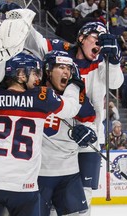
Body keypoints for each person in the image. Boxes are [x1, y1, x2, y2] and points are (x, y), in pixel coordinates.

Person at [0, 52, 88, 216]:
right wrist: (74, 84)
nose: (38, 78)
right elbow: (71, 108)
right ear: (20, 74)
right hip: (23, 185)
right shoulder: (43, 98)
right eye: (34, 72)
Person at [22, 18, 124, 216]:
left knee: (84, 197)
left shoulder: (103, 63)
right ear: (81, 38)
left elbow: (116, 83)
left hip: (89, 135)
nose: (99, 44)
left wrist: (115, 61)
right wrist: (20, 18)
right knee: (51, 194)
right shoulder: (61, 54)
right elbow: (36, 40)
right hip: (55, 138)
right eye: (96, 38)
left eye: (103, 40)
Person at [38, 50, 97, 216]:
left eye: (69, 68)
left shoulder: (79, 99)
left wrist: (87, 134)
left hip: (68, 172)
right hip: (37, 172)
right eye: (61, 67)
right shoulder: (32, 94)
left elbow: (90, 127)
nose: (66, 72)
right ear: (48, 70)